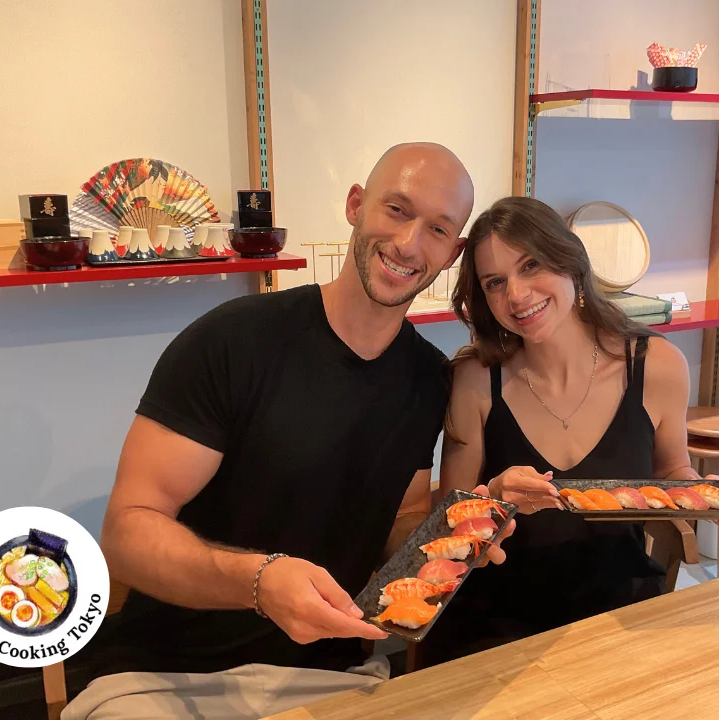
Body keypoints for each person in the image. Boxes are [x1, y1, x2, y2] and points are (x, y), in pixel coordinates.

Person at [63, 143, 514, 720]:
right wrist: (258, 581)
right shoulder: (233, 342)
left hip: (332, 677)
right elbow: (126, 532)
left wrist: (463, 530)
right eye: (397, 210)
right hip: (166, 677)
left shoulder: (428, 377)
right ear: (356, 206)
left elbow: (400, 521)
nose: (408, 243)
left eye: (438, 229)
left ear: (453, 253)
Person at [420, 196, 719, 666]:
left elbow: (670, 470)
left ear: (570, 262)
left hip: (619, 609)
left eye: (531, 265)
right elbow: (450, 525)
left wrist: (704, 493)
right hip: (495, 624)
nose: (516, 295)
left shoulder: (657, 366)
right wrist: (494, 495)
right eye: (495, 282)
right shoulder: (475, 380)